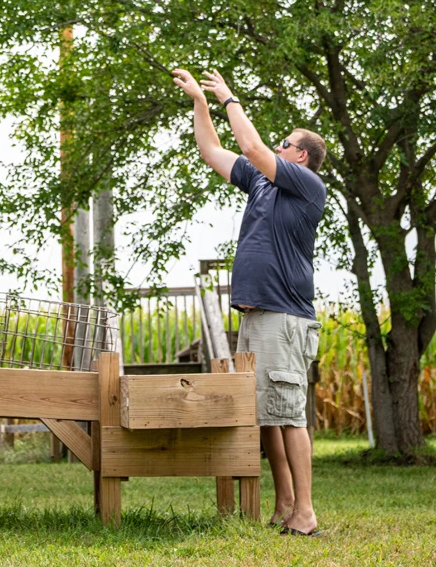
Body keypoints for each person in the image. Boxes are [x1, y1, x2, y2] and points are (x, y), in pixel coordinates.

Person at [172, 67, 326, 537]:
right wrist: (200, 101)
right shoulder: (261, 183)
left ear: (300, 155)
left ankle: (306, 512)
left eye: (286, 142)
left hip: (284, 316)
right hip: (257, 314)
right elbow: (211, 150)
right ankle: (284, 504)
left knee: (289, 414)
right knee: (266, 417)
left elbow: (252, 148)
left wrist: (228, 98)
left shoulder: (305, 185)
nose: (277, 147)